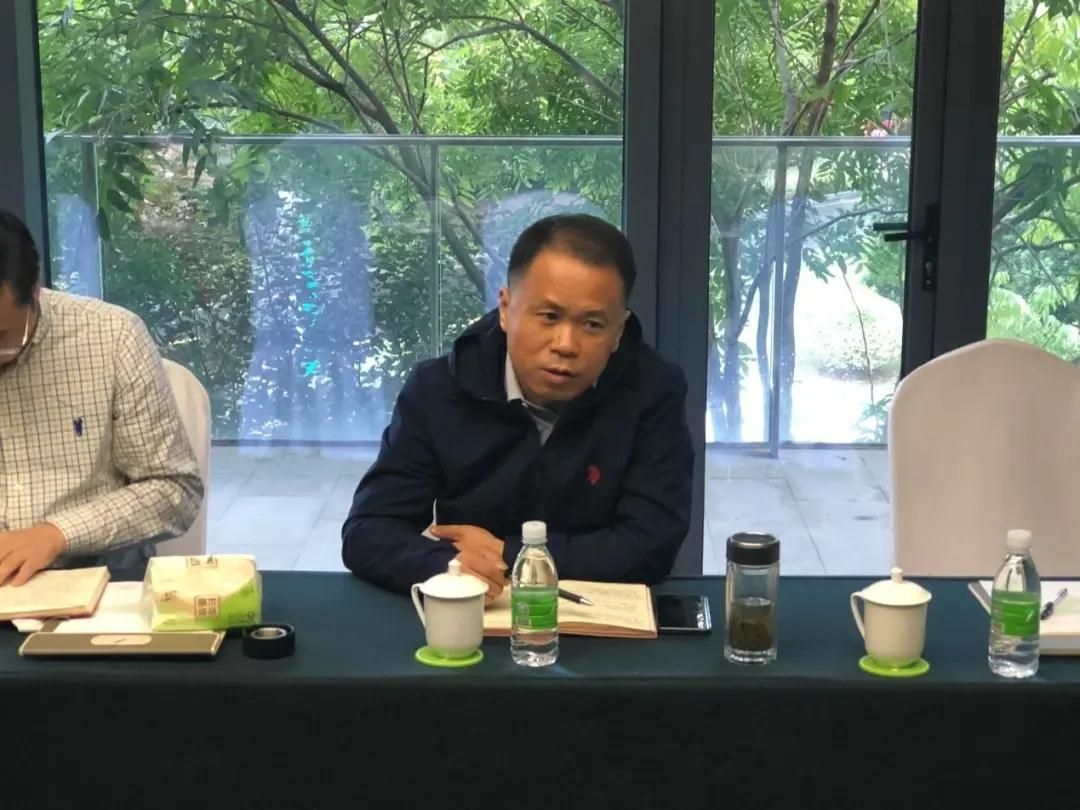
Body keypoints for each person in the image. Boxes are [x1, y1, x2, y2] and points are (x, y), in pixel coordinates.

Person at [342, 214, 693, 601]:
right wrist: (449, 565)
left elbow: (651, 545)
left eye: (593, 324)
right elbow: (367, 531)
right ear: (506, 308)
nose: (566, 344)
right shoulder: (438, 389)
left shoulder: (653, 392)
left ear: (619, 332)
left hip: (599, 621)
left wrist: (510, 555)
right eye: (549, 316)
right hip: (476, 612)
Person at [0, 210, 203, 585]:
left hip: (96, 576)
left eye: (1, 337)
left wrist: (57, 534)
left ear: (35, 289)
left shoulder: (112, 336)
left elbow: (175, 490)